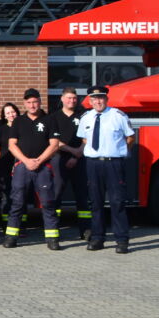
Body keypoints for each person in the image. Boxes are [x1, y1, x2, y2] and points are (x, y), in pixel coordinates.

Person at [77, 85, 135, 254]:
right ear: (90, 101)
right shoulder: (86, 117)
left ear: (106, 99)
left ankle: (122, 240)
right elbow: (85, 140)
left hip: (113, 164)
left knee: (117, 202)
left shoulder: (118, 116)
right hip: (93, 164)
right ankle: (97, 238)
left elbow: (130, 137)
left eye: (101, 98)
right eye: (94, 99)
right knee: (95, 202)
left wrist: (117, 151)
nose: (98, 101)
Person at [3, 89, 63, 250]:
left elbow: (54, 144)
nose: (32, 105)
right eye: (28, 102)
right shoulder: (18, 121)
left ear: (40, 102)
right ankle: (11, 237)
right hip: (22, 166)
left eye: (35, 101)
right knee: (17, 202)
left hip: (43, 167)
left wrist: (39, 161)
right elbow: (12, 145)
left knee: (48, 203)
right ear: (24, 104)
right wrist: (27, 161)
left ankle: (52, 239)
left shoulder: (50, 119)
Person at [49, 87, 91, 240]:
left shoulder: (83, 116)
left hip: (80, 160)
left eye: (74, 98)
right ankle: (54, 229)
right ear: (62, 99)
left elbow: (87, 136)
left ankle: (86, 230)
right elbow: (53, 141)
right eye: (68, 98)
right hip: (59, 159)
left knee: (82, 196)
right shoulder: (54, 117)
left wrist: (78, 153)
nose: (72, 100)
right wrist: (73, 151)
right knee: (56, 194)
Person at [0, 102, 21, 229]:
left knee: (20, 194)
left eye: (12, 112)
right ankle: (6, 224)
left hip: (20, 164)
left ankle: (21, 225)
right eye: (8, 113)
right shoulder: (1, 129)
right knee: (6, 194)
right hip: (5, 166)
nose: (11, 115)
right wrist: (0, 160)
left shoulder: (22, 126)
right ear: (4, 116)